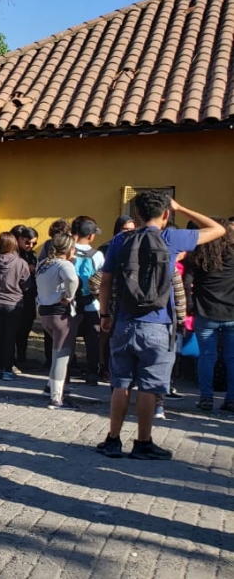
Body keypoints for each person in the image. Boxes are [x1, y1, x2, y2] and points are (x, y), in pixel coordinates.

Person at [97, 192, 224, 460]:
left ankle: (112, 440)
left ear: (137, 215)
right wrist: (181, 207)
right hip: (158, 324)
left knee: (120, 383)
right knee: (149, 387)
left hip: (123, 321)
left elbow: (105, 281)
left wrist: (105, 314)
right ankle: (143, 442)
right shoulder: (172, 239)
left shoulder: (121, 240)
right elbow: (218, 229)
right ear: (166, 213)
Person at [184, 219, 234, 412]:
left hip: (205, 313)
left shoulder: (198, 257)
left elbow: (187, 284)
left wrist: (190, 305)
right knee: (232, 359)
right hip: (231, 312)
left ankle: (206, 398)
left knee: (207, 357)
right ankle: (231, 399)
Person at [36, 233, 80, 409]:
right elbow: (71, 279)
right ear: (70, 249)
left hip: (45, 313)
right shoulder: (64, 264)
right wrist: (69, 296)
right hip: (60, 314)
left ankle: (50, 387)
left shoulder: (43, 265)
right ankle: (56, 398)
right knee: (60, 357)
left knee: (56, 354)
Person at [0, 232, 30, 381]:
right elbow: (27, 284)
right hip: (14, 303)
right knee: (10, 337)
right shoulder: (20, 263)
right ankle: (8, 370)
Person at [71, 217, 105, 385]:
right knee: (92, 340)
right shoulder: (97, 255)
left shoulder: (67, 251)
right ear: (91, 236)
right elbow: (103, 280)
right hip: (92, 303)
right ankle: (92, 373)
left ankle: (67, 372)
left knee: (68, 339)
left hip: (70, 302)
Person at [12, 226, 39, 369]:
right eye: (28, 242)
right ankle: (12, 358)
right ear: (19, 239)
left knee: (26, 329)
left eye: (34, 243)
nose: (30, 246)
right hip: (16, 295)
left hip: (29, 295)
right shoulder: (14, 254)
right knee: (15, 329)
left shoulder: (32, 254)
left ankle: (22, 357)